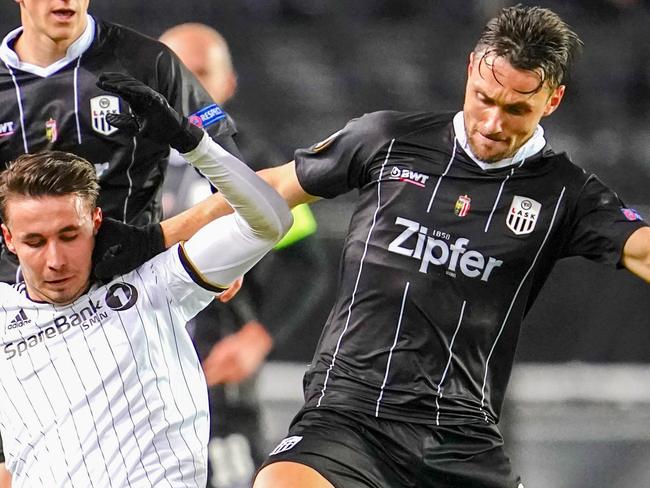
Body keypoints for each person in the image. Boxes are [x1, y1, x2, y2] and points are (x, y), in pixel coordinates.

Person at [248, 5, 650, 488]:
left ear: (553, 100)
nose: (493, 123)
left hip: (461, 439)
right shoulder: (388, 139)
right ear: (469, 70)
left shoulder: (565, 193)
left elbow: (641, 247)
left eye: (517, 109)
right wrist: (163, 241)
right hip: (347, 416)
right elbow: (267, 190)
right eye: (484, 98)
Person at [0, 73, 292, 487]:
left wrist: (193, 143)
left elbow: (269, 222)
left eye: (70, 236)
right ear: (9, 239)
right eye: (34, 241)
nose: (55, 260)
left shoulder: (155, 285)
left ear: (96, 222)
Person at [159, 23, 321, 488]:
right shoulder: (120, 161)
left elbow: (307, 263)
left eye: (202, 72)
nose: (187, 85)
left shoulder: (254, 164)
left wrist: (258, 336)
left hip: (218, 391)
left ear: (227, 84)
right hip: (135, 379)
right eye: (175, 71)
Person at [0, 0, 240, 283]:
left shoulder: (148, 63)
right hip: (18, 302)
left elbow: (232, 171)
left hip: (136, 289)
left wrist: (225, 247)